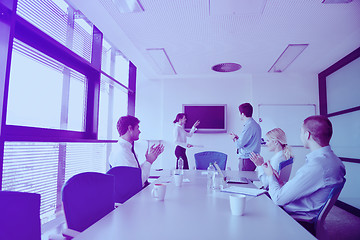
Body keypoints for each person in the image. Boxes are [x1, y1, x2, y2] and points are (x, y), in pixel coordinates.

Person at [262, 115, 346, 221]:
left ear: (307, 135)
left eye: (301, 132)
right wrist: (279, 182)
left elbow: (278, 199)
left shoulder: (317, 166)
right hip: (304, 210)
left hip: (295, 219)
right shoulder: (335, 161)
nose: (300, 136)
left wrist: (270, 175)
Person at [109, 115, 164, 187]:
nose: (139, 131)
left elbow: (136, 172)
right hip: (132, 196)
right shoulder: (122, 152)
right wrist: (149, 161)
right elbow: (137, 180)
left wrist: (148, 160)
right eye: (137, 128)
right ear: (130, 128)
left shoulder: (125, 148)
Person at [230, 103, 261, 171]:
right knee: (248, 181)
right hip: (251, 159)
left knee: (244, 180)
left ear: (243, 114)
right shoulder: (255, 125)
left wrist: (234, 138)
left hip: (246, 160)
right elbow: (248, 141)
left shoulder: (249, 126)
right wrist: (238, 138)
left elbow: (239, 145)